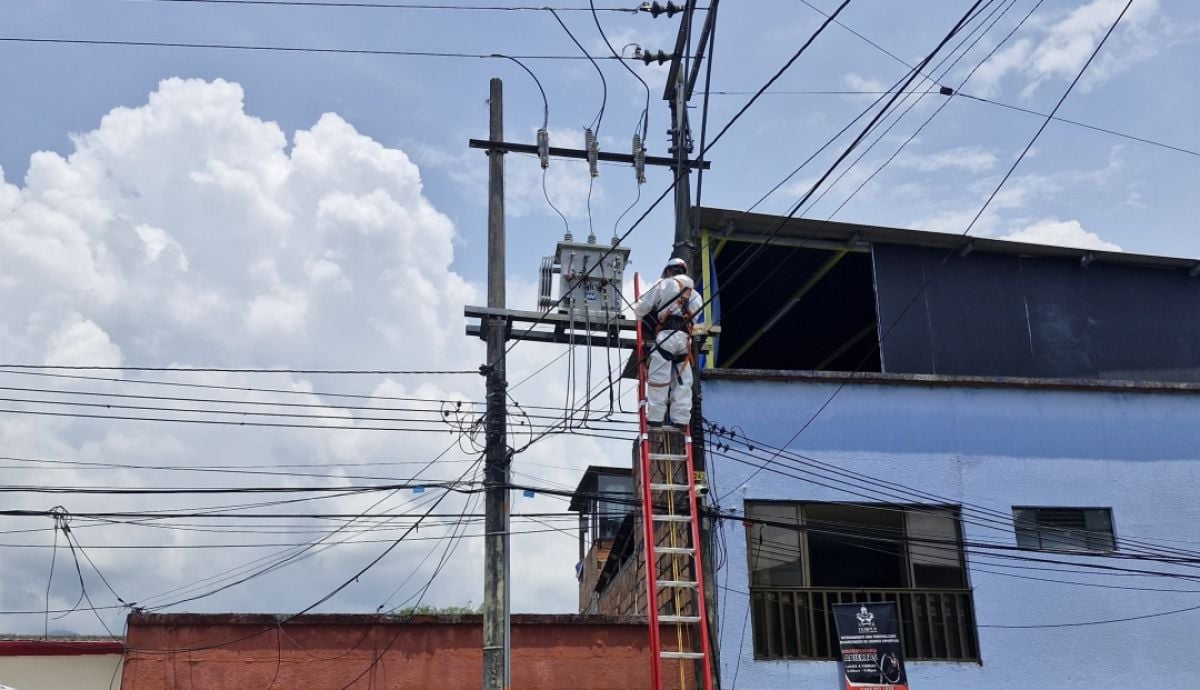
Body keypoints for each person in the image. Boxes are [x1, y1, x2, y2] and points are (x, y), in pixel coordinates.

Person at [633, 257, 705, 429]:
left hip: (666, 336)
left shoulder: (664, 284)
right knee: (683, 382)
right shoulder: (696, 295)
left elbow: (641, 308)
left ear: (668, 271)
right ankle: (680, 420)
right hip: (684, 340)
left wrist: (643, 313)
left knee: (659, 377)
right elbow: (697, 321)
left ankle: (656, 418)